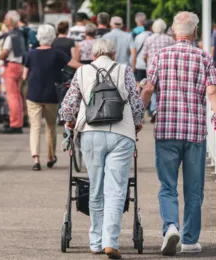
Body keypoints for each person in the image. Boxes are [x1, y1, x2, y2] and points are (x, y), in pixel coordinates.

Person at [60, 38, 144, 259]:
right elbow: (136, 104)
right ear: (113, 54)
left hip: (90, 134)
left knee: (95, 188)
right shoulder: (124, 70)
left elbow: (68, 105)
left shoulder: (82, 72)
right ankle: (110, 241)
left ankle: (95, 242)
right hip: (121, 134)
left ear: (94, 55)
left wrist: (69, 121)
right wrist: (137, 123)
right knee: (116, 189)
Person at [141, 11, 216, 256]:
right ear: (195, 32)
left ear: (174, 32)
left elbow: (149, 88)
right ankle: (190, 240)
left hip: (167, 130)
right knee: (194, 189)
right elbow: (212, 92)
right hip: (194, 132)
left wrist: (136, 115)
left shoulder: (160, 56)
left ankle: (170, 226)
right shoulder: (204, 57)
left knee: (168, 186)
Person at [22, 24, 81, 171]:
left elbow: (24, 75)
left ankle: (36, 159)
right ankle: (50, 157)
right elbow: (74, 64)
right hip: (51, 94)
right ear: (52, 37)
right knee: (51, 127)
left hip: (33, 94)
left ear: (38, 37)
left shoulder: (31, 53)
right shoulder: (57, 53)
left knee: (35, 127)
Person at [143, 18, 175, 123]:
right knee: (165, 90)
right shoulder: (169, 39)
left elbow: (144, 55)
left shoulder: (149, 39)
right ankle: (163, 110)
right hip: (166, 68)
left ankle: (153, 110)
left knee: (152, 88)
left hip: (152, 67)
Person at [0, 10, 26, 134]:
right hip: (19, 66)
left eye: (5, 18)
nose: (4, 20)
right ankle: (19, 121)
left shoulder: (10, 36)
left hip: (11, 66)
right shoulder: (19, 34)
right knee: (18, 96)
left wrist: (0, 56)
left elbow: (4, 53)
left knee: (12, 97)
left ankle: (14, 124)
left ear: (9, 21)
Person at [134, 20, 153, 91]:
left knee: (139, 85)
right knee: (149, 86)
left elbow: (135, 50)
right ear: (151, 27)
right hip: (149, 65)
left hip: (139, 64)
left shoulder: (138, 36)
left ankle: (139, 100)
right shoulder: (152, 36)